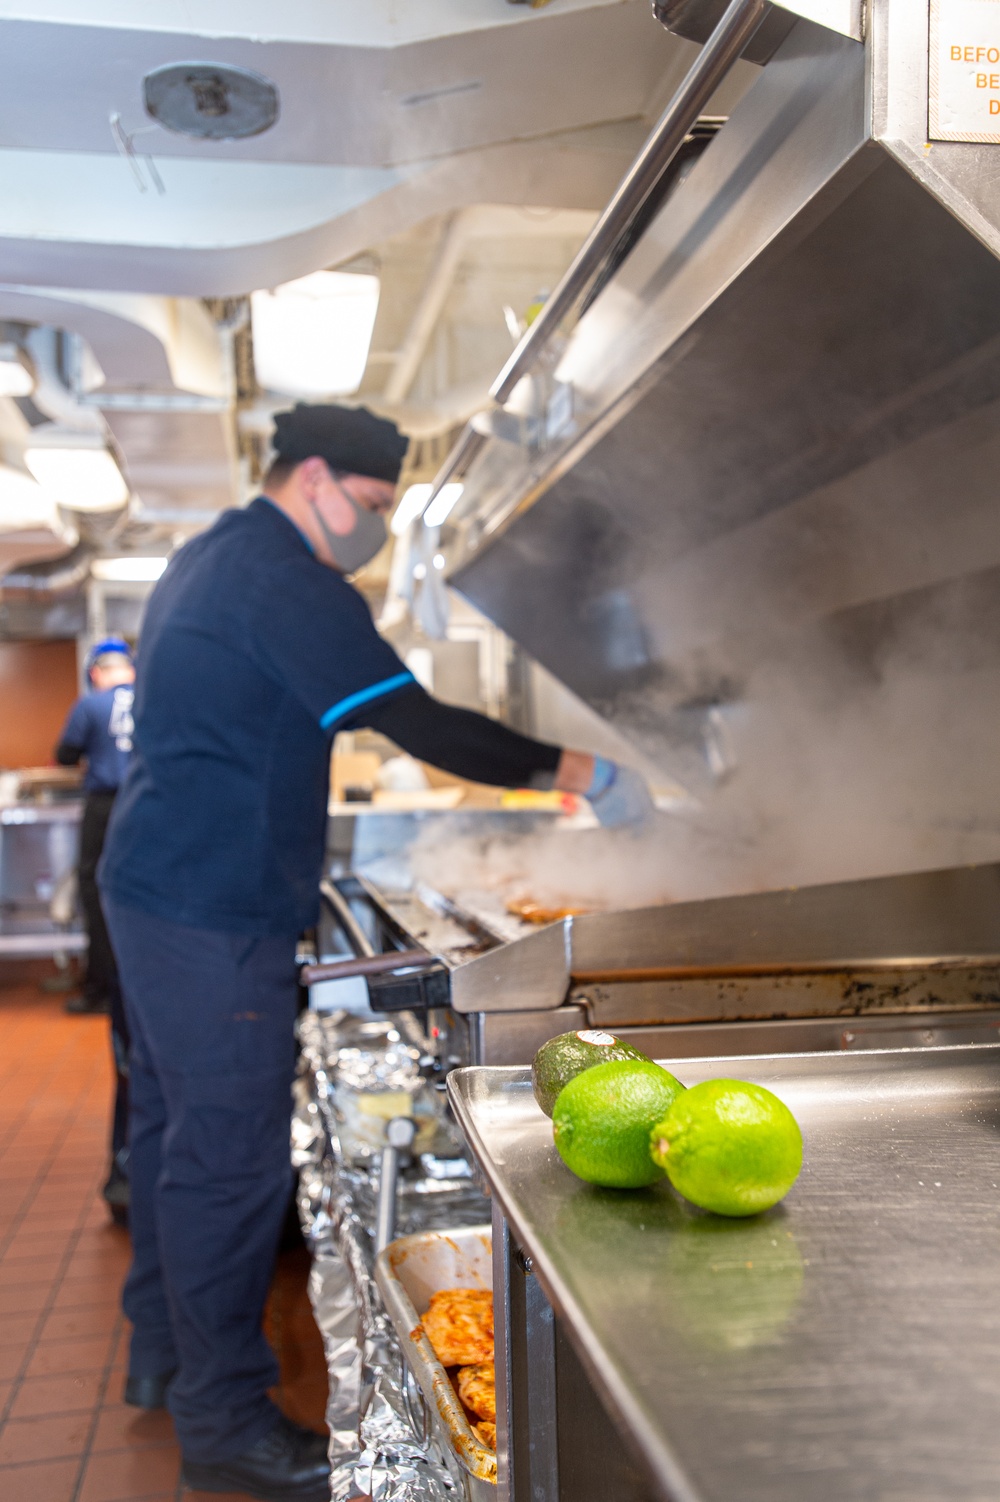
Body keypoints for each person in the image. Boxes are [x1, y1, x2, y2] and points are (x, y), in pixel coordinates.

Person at [99, 403, 653, 1502]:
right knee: (227, 1162)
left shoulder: (211, 555)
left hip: (157, 885)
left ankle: (163, 1353)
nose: (377, 527)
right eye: (372, 504)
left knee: (173, 1135)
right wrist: (585, 772)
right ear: (313, 477)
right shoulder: (280, 579)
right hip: (213, 907)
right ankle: (224, 1425)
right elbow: (424, 724)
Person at [55, 637, 135, 1225]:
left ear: (95, 672)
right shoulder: (154, 697)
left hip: (105, 808)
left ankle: (103, 989)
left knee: (98, 901)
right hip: (145, 815)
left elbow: (64, 754)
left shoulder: (91, 703)